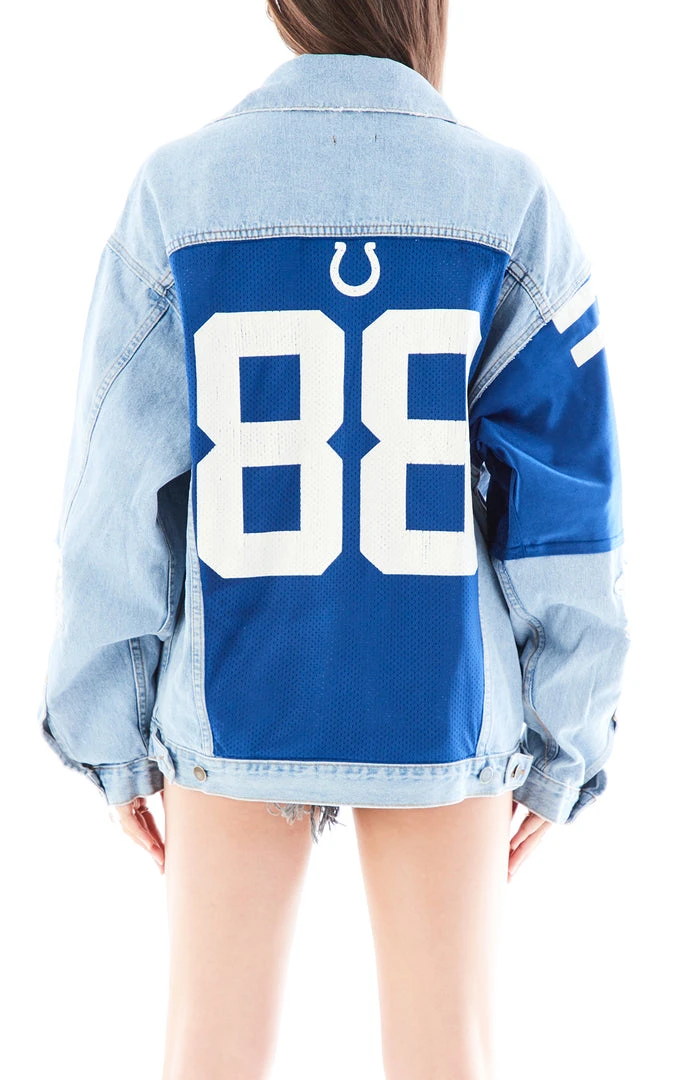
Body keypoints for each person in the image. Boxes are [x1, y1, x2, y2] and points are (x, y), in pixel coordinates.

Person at [37, 1, 630, 1077]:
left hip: (235, 695)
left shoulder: (177, 193)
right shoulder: (509, 199)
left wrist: (107, 731)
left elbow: (112, 503)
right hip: (439, 704)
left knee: (209, 1057)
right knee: (448, 1057)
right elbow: (568, 513)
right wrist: (567, 739)